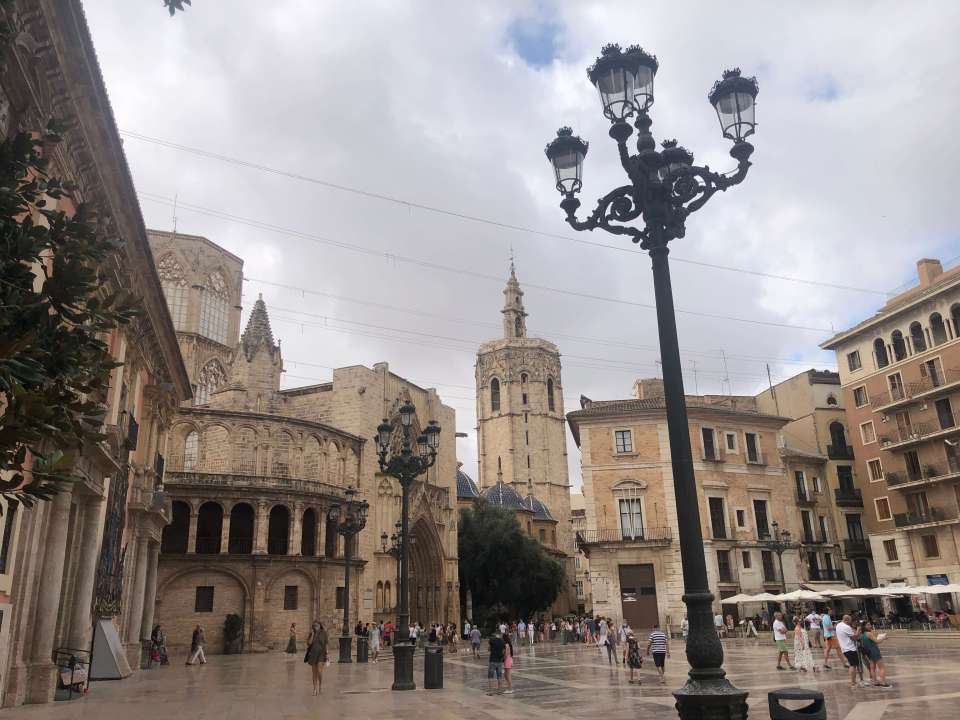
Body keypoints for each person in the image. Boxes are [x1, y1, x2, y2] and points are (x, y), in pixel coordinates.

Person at [859, 620, 890, 688]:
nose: (870, 626)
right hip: (874, 651)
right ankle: (883, 682)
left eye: (870, 625)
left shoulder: (861, 634)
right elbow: (877, 641)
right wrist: (883, 638)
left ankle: (874, 681)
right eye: (868, 625)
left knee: (872, 668)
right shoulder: (869, 634)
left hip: (868, 652)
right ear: (864, 626)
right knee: (882, 667)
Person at [836, 614, 863, 688]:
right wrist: (858, 630)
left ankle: (853, 681)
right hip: (850, 648)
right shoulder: (846, 627)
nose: (850, 622)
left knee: (852, 665)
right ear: (847, 620)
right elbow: (854, 638)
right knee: (853, 665)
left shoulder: (838, 625)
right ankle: (853, 682)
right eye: (850, 621)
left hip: (844, 648)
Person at [305, 621, 329, 696]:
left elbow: (326, 643)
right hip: (313, 654)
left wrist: (327, 653)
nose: (316, 626)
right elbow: (308, 643)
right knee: (314, 673)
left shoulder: (324, 633)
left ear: (320, 625)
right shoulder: (312, 633)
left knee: (319, 671)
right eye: (314, 625)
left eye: (317, 625)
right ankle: (315, 689)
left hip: (321, 654)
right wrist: (312, 634)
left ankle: (320, 687)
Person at [487, 630, 506, 695]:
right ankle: (499, 691)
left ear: (495, 634)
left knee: (490, 676)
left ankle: (491, 692)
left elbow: (489, 649)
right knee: (499, 676)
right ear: (500, 634)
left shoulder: (491, 640)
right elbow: (504, 651)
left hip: (492, 660)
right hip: (499, 661)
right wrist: (501, 657)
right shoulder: (503, 641)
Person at [503, 629, 515, 694]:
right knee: (505, 675)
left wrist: (502, 659)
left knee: (507, 675)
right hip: (509, 659)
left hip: (507, 660)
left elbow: (506, 653)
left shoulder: (506, 645)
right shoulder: (508, 644)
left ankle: (510, 688)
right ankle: (509, 687)